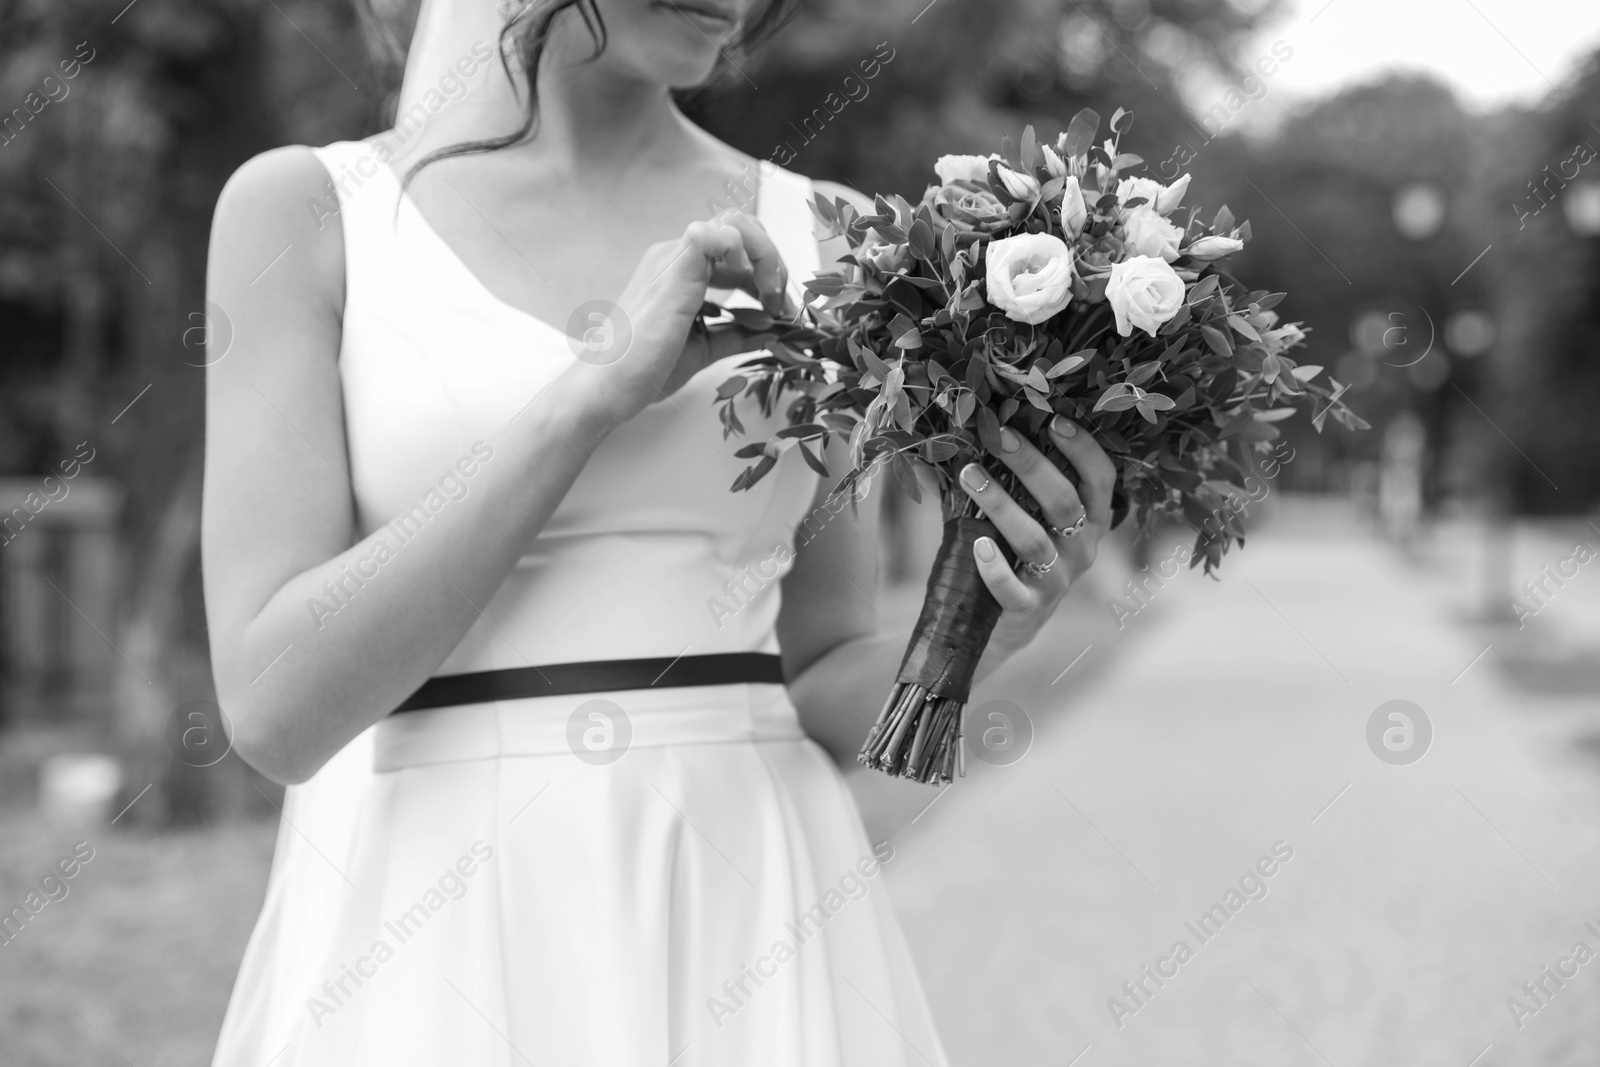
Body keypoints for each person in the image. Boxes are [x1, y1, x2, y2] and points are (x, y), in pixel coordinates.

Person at [200, 0, 1117, 1062]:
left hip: (747, 897)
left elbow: (817, 674)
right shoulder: (309, 211)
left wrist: (969, 645)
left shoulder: (826, 229)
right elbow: (274, 709)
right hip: (433, 908)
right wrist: (586, 398)